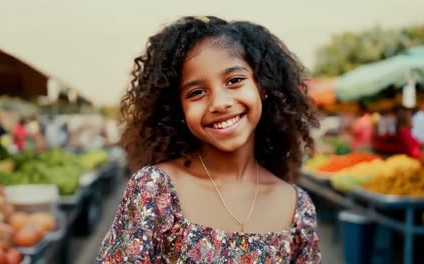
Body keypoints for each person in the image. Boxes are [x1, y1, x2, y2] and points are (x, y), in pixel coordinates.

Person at [97, 16, 321, 263]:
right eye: (197, 92)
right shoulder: (154, 190)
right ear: (178, 109)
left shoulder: (297, 207)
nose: (219, 103)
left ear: (263, 87)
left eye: (234, 81)